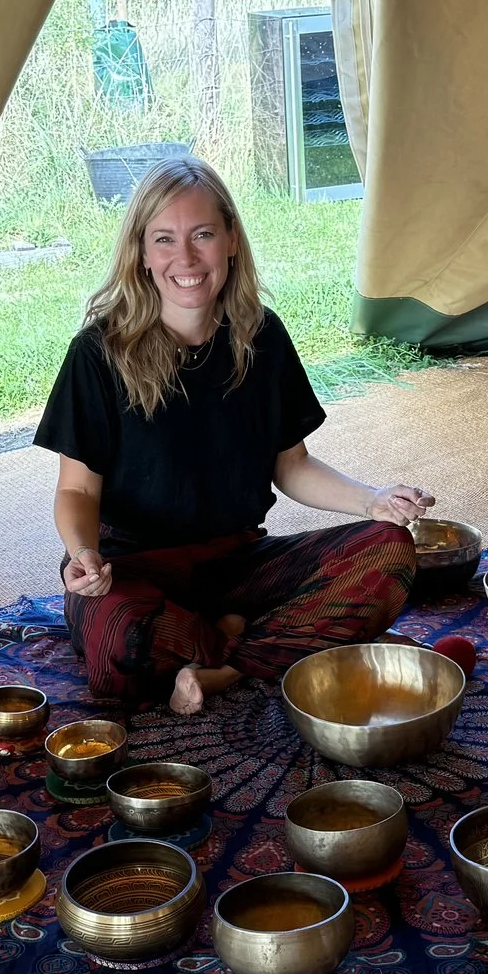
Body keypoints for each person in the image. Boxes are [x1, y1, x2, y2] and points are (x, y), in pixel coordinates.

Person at [36, 157, 431, 715]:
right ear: (142, 255)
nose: (186, 258)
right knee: (116, 643)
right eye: (165, 239)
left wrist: (373, 500)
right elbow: (76, 492)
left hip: (240, 562)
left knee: (388, 551)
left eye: (202, 234)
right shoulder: (99, 353)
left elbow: (291, 465)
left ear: (231, 241)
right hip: (133, 569)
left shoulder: (262, 336)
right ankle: (258, 645)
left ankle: (217, 666)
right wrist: (83, 554)